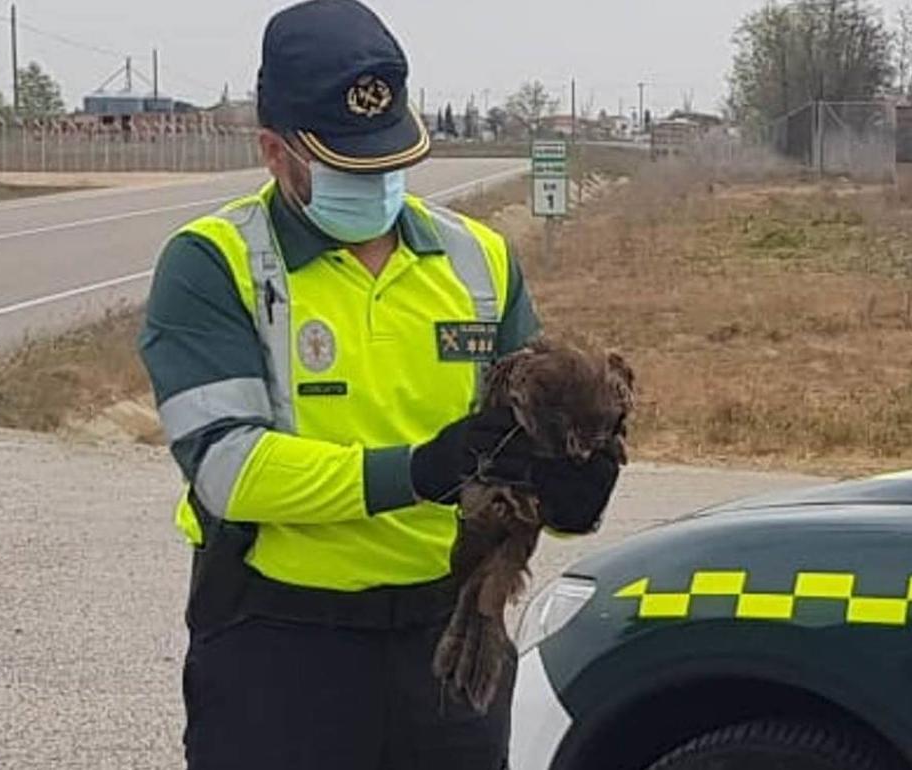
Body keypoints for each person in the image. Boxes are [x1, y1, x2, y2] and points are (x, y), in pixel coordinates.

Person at [137, 1, 621, 767]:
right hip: (281, 648)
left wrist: (571, 489)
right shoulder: (214, 265)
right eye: (348, 165)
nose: (379, 181)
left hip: (452, 640)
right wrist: (423, 469)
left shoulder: (480, 262)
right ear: (274, 151)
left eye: (392, 159)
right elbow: (228, 468)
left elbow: (527, 442)